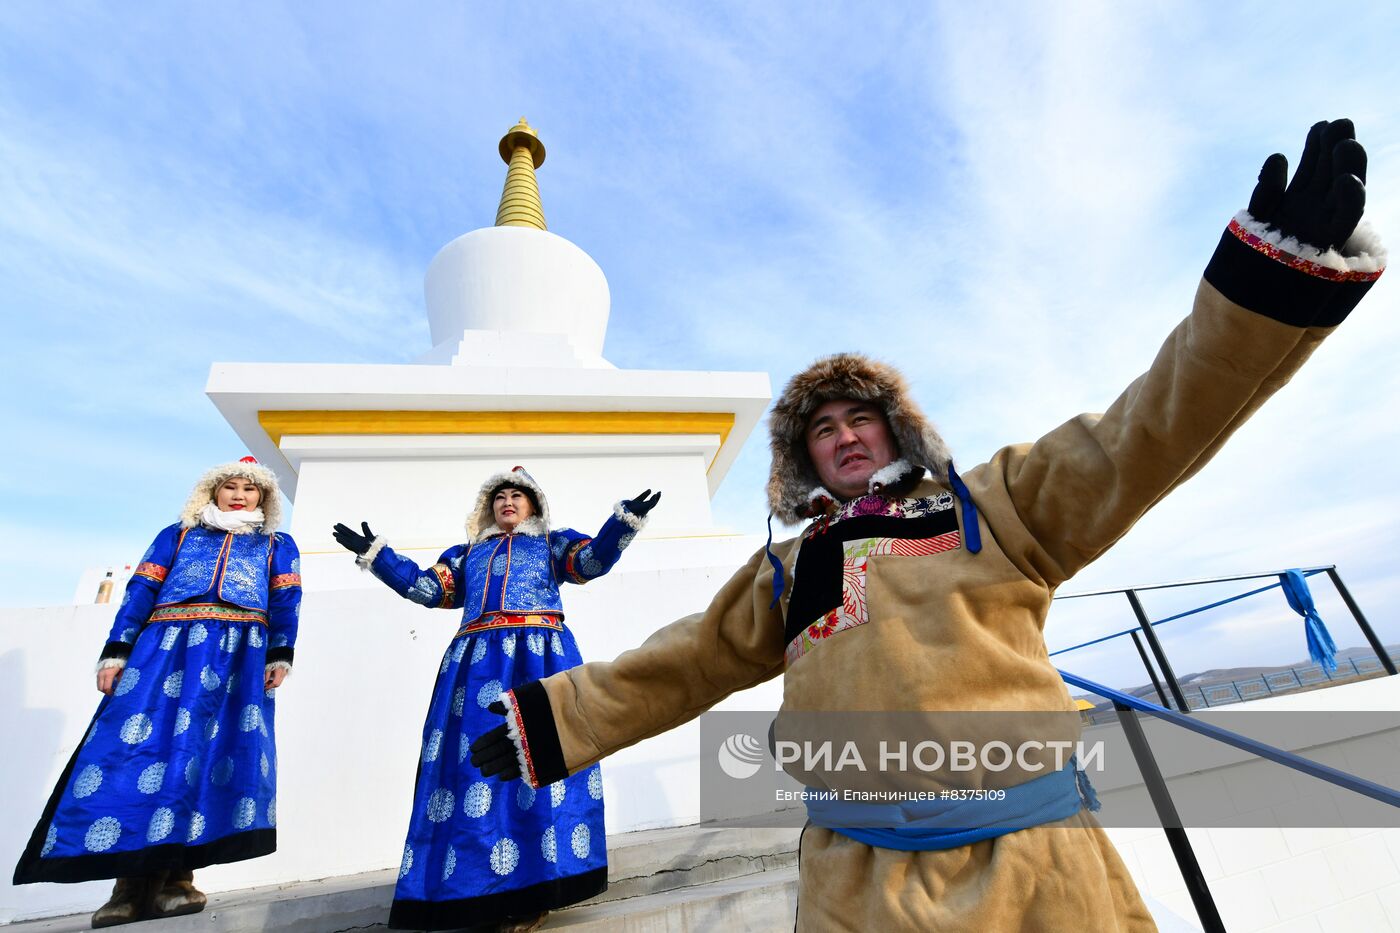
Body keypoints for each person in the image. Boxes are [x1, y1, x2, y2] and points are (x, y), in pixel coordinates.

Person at [469, 118, 1386, 931]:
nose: (842, 435)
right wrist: (555, 722)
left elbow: (1145, 433)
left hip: (1035, 871)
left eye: (858, 416)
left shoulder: (998, 503)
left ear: (894, 427)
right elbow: (683, 663)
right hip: (853, 882)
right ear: (804, 460)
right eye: (820, 429)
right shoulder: (786, 569)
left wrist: (1263, 291)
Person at [333, 467, 660, 933]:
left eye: (518, 496)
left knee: (539, 763)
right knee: (471, 772)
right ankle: (471, 889)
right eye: (500, 496)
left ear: (534, 506)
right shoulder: (466, 555)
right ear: (489, 507)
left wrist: (623, 522)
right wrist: (378, 557)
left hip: (541, 662)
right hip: (475, 669)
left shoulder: (553, 543)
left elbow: (590, 563)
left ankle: (534, 891)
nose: (508, 501)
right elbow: (428, 589)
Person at [14, 457, 301, 928]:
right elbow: (140, 590)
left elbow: (287, 600)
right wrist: (117, 651)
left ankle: (176, 880)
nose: (239, 495)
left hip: (236, 659)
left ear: (263, 499)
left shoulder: (276, 545)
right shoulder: (179, 534)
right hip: (164, 648)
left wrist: (279, 654)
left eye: (250, 490)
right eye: (229, 486)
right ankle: (126, 888)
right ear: (211, 492)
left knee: (204, 759)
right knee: (134, 754)